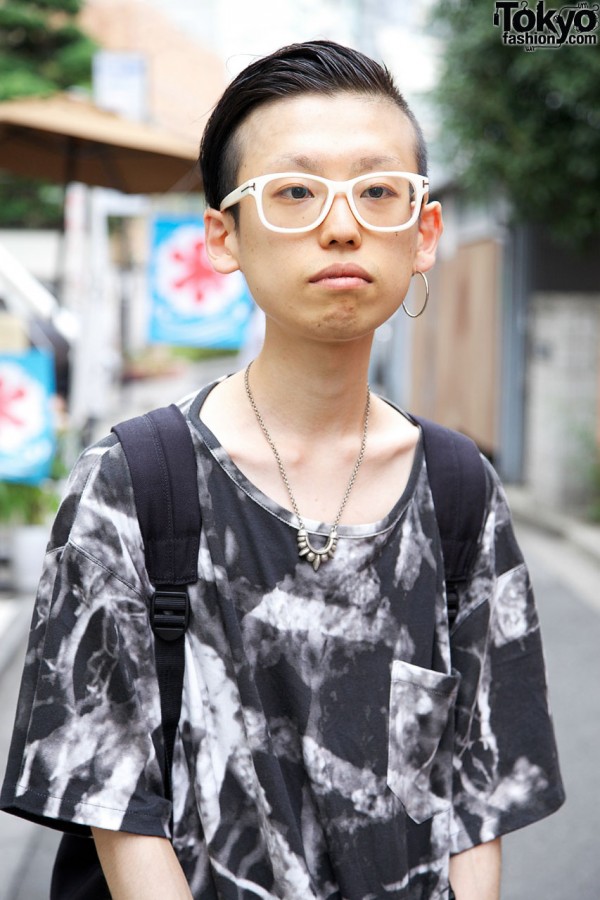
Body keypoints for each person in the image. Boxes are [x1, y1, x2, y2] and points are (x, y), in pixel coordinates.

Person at [1, 40, 564, 900]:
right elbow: (115, 805)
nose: (342, 224)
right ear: (223, 236)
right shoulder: (134, 481)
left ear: (424, 234)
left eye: (378, 191)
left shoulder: (458, 489)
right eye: (294, 192)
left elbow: (476, 801)